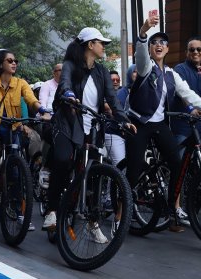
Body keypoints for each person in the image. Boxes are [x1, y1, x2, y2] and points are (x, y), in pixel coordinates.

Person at [126, 15, 201, 232]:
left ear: (168, 49)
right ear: (151, 48)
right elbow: (141, 55)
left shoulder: (171, 74)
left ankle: (173, 206)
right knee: (132, 172)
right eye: (155, 43)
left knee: (177, 163)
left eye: (163, 43)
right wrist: (144, 31)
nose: (159, 45)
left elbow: (187, 93)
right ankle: (120, 212)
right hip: (139, 123)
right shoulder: (145, 68)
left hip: (159, 125)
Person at [41, 27, 134, 242]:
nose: (104, 46)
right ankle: (52, 211)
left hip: (91, 128)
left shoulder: (102, 71)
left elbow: (112, 99)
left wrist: (125, 121)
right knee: (63, 161)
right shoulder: (70, 66)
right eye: (101, 42)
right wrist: (70, 96)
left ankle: (92, 222)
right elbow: (64, 85)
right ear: (90, 45)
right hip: (67, 123)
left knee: (93, 175)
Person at [0, 48, 51, 232]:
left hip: (12, 127)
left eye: (15, 60)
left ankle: (19, 212)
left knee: (16, 170)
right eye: (10, 60)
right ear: (0, 64)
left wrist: (42, 111)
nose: (14, 63)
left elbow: (31, 100)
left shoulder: (20, 83)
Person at [37, 63, 63, 189]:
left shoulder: (69, 86)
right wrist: (46, 112)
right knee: (56, 138)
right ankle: (46, 167)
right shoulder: (47, 85)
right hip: (49, 121)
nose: (62, 73)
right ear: (54, 73)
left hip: (65, 122)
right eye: (59, 70)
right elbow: (42, 101)